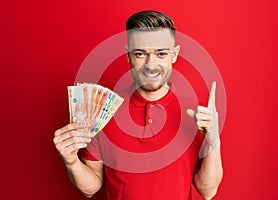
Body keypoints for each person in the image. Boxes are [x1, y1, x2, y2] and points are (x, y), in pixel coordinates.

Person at [53, 10, 223, 200]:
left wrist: (213, 143)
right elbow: (91, 188)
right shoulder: (104, 111)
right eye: (140, 53)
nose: (151, 64)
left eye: (161, 53)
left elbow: (207, 192)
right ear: (128, 55)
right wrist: (71, 162)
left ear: (174, 55)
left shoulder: (198, 115)